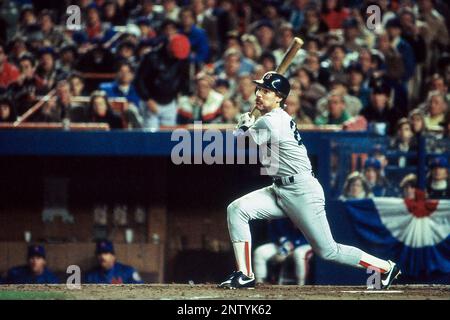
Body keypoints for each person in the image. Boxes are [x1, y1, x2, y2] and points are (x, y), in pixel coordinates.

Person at [218, 71, 401, 290]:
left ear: (279, 98)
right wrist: (246, 127)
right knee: (237, 209)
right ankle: (245, 274)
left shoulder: (274, 121)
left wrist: (243, 127)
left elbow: (238, 144)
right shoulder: (269, 119)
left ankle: (385, 267)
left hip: (302, 191)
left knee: (328, 251)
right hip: (280, 189)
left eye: (266, 91)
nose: (259, 94)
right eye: (259, 89)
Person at [135, 33, 190, 130]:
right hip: (152, 102)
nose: (176, 58)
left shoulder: (182, 60)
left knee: (169, 136)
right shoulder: (151, 58)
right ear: (169, 47)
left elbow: (183, 79)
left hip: (170, 103)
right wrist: (147, 99)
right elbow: (139, 80)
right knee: (151, 136)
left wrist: (182, 94)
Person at [253, 218, 313, 285]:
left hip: (304, 244)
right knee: (259, 251)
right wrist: (283, 249)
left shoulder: (302, 213)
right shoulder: (279, 215)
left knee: (299, 253)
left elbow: (310, 236)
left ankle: (301, 284)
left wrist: (289, 249)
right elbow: (274, 235)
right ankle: (259, 282)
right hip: (284, 246)